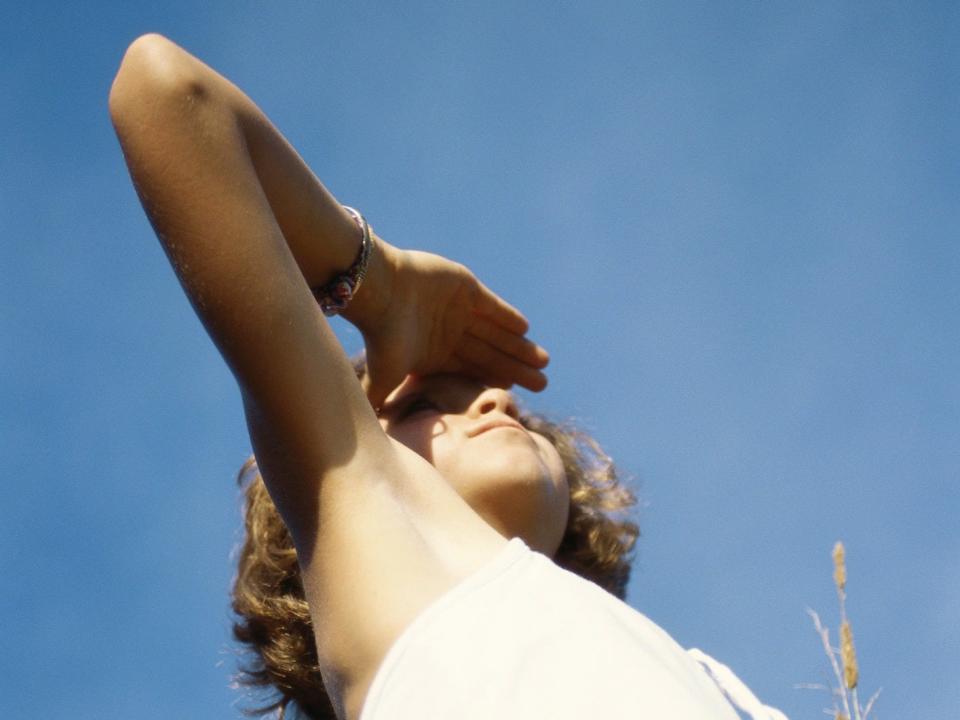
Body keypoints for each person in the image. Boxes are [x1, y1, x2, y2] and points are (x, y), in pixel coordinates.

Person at [110, 33, 787, 720]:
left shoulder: (701, 675)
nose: (498, 399)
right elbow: (164, 90)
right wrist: (378, 284)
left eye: (514, 410)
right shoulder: (383, 552)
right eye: (426, 404)